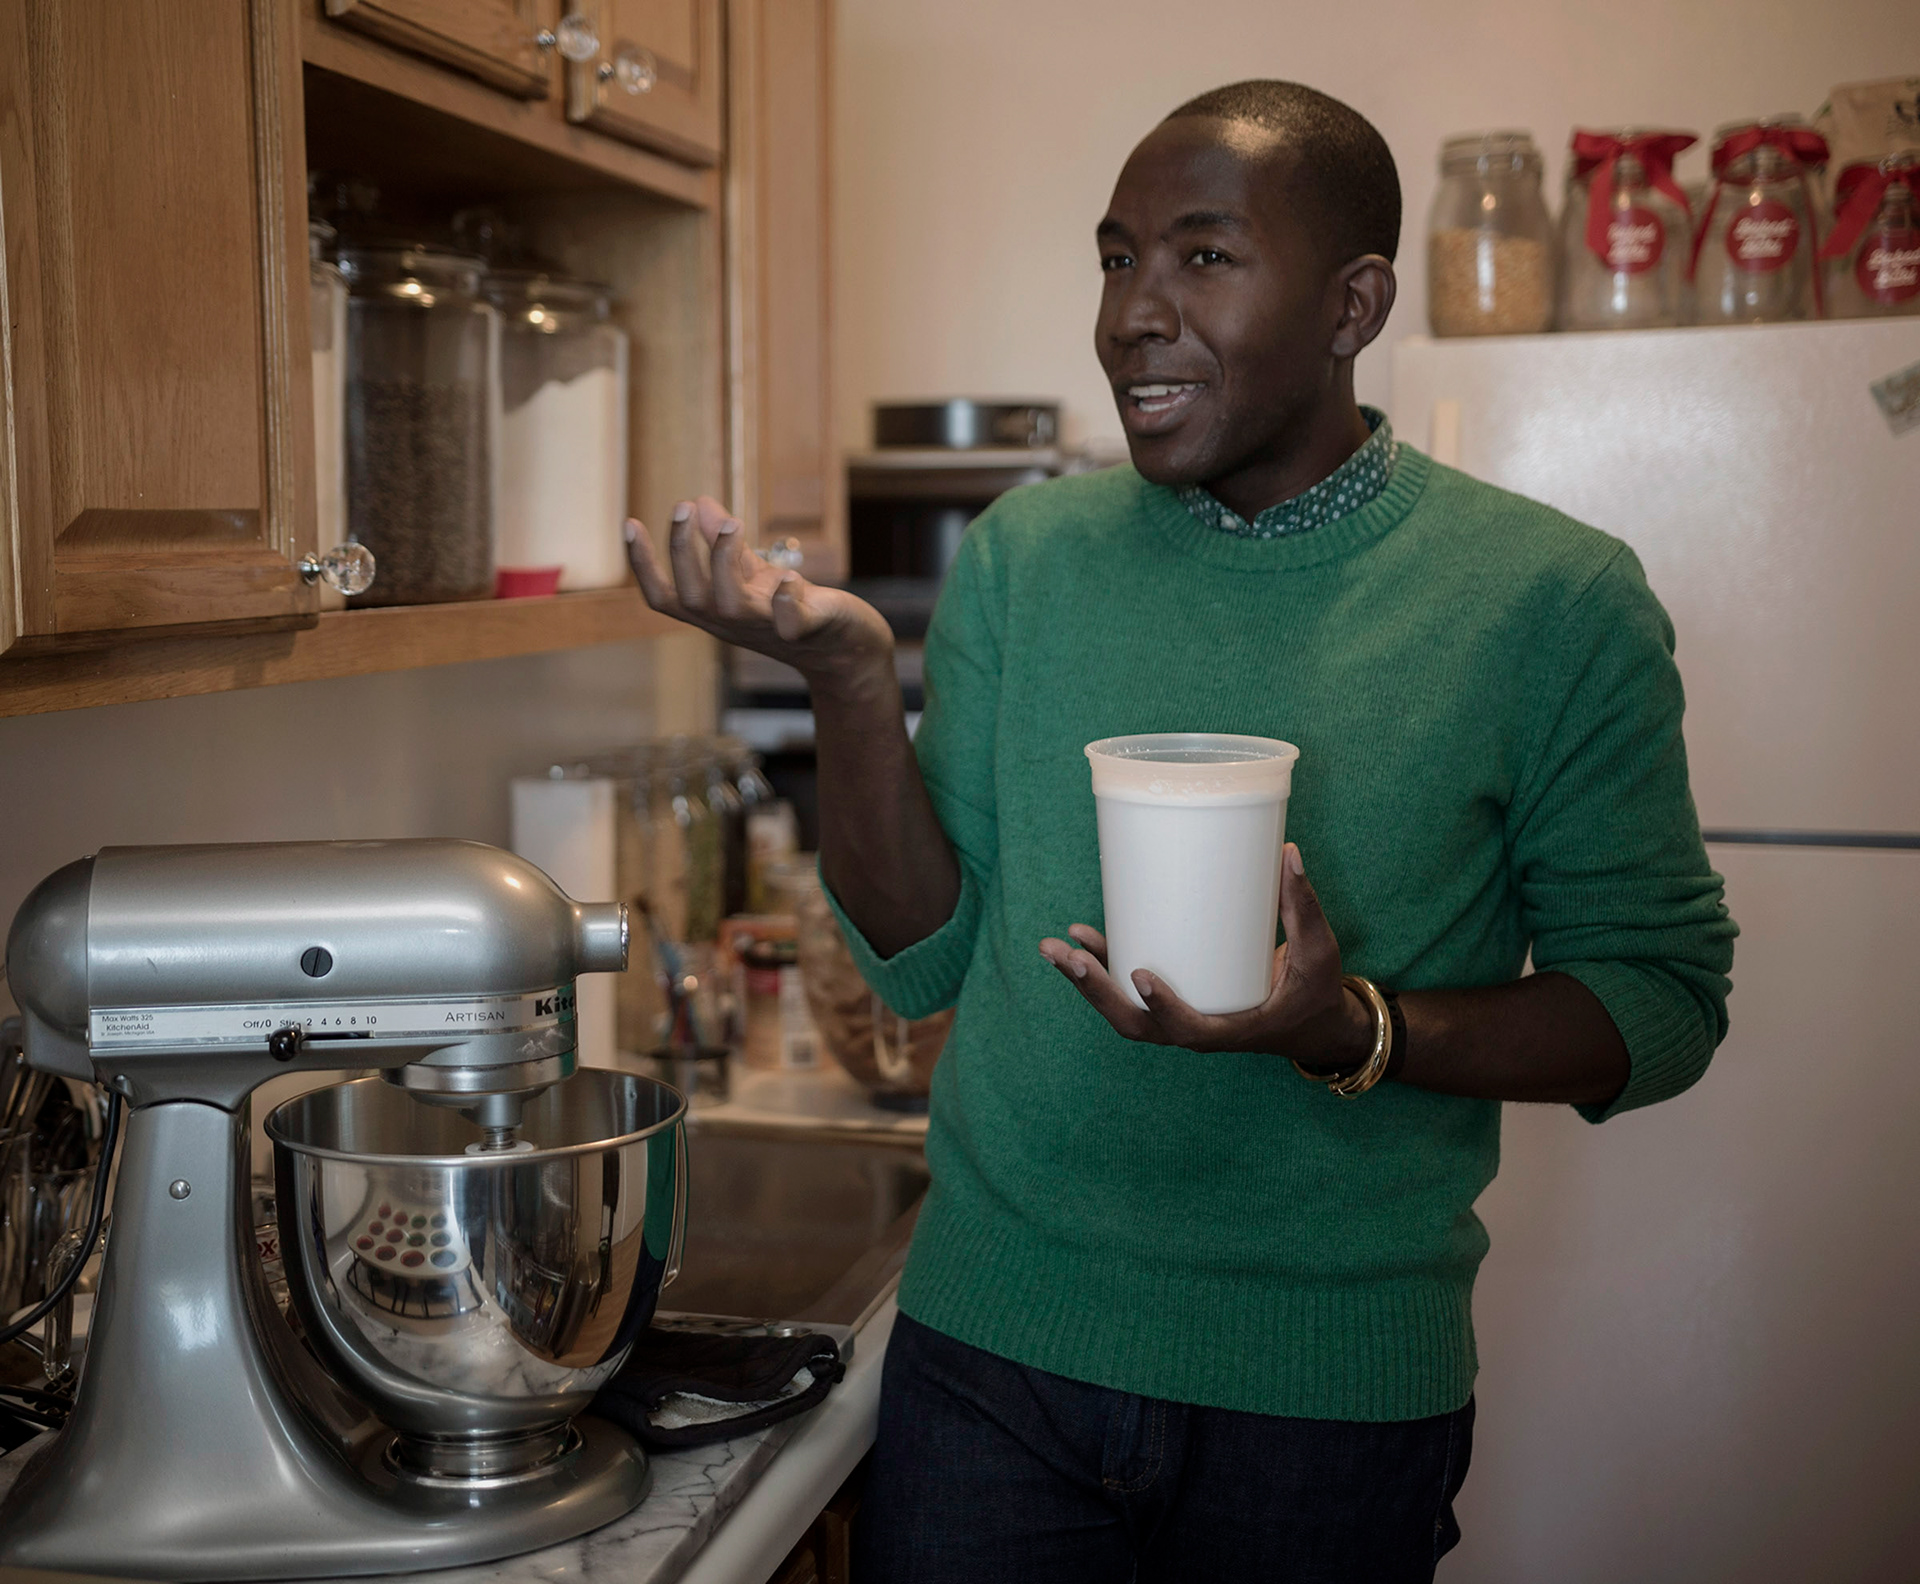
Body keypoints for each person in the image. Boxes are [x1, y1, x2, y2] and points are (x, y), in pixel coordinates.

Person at [625, 79, 1736, 1582]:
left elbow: (1660, 1008)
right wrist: (844, 680)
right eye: (1114, 257)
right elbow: (917, 958)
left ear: (1354, 306)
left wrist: (1347, 1025)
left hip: (1331, 1401)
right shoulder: (1027, 556)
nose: (1133, 312)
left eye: (1203, 257)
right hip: (991, 1361)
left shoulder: (1549, 602)